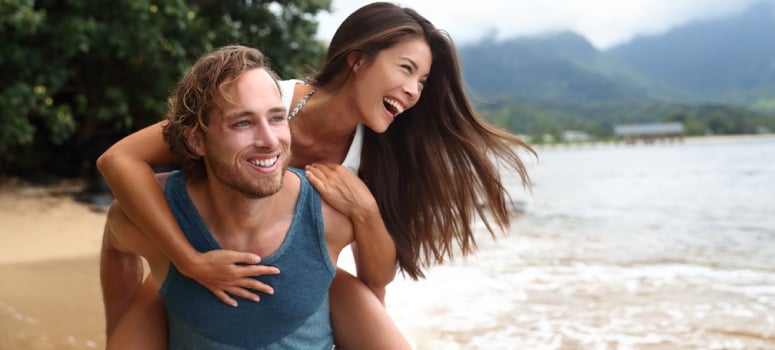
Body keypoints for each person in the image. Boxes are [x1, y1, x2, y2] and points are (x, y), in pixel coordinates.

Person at [98, 1, 537, 347]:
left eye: (422, 81)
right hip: (204, 249)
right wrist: (186, 260)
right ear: (358, 60)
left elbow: (374, 278)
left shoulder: (373, 159)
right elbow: (120, 160)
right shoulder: (265, 98)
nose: (413, 90)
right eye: (406, 69)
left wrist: (366, 212)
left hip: (303, 283)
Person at [103, 45, 407, 349]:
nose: (269, 140)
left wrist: (366, 211)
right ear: (196, 140)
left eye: (276, 118)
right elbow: (116, 244)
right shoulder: (158, 215)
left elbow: (378, 278)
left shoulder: (328, 215)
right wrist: (120, 327)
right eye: (243, 123)